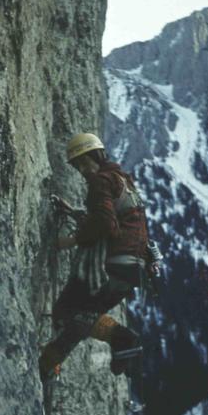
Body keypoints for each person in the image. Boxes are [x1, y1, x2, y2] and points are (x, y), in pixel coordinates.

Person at [39, 132, 161, 382]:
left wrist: (69, 241)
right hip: (133, 269)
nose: (83, 170)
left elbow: (107, 226)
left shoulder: (100, 182)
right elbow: (115, 219)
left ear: (97, 155)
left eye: (85, 162)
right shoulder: (123, 180)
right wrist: (75, 213)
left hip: (113, 266)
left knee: (68, 311)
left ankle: (120, 339)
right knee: (81, 317)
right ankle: (50, 364)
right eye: (77, 166)